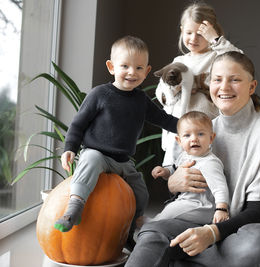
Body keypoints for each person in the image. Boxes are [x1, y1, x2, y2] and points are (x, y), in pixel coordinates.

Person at [125, 51, 260, 267]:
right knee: (154, 231)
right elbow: (187, 195)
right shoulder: (205, 130)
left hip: (242, 235)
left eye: (235, 79)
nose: (224, 87)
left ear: (252, 87)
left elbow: (259, 212)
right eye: (217, 80)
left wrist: (211, 233)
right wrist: (174, 183)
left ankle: (182, 259)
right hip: (205, 229)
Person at [53, 36, 178, 238]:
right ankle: (73, 209)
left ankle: (128, 232)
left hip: (123, 161)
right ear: (111, 67)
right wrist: (70, 148)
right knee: (90, 161)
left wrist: (184, 126)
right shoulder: (99, 94)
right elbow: (78, 124)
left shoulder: (141, 100)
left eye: (139, 68)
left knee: (141, 193)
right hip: (97, 153)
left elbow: (162, 119)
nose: (132, 72)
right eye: (125, 66)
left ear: (147, 72)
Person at [156, 2, 243, 171]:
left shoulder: (217, 57)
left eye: (200, 34)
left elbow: (240, 62)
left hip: (206, 127)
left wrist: (215, 40)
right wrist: (173, 89)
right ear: (182, 31)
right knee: (178, 171)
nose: (193, 39)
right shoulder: (179, 62)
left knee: (206, 171)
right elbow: (162, 94)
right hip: (181, 128)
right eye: (189, 33)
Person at [151, 111, 229, 224]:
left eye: (200, 134)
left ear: (211, 138)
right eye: (187, 135)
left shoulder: (210, 162)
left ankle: (152, 222)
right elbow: (175, 170)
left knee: (172, 210)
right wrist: (166, 172)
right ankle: (162, 222)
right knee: (172, 208)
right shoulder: (184, 156)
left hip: (203, 207)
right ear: (179, 141)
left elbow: (220, 188)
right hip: (188, 202)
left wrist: (221, 209)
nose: (194, 139)